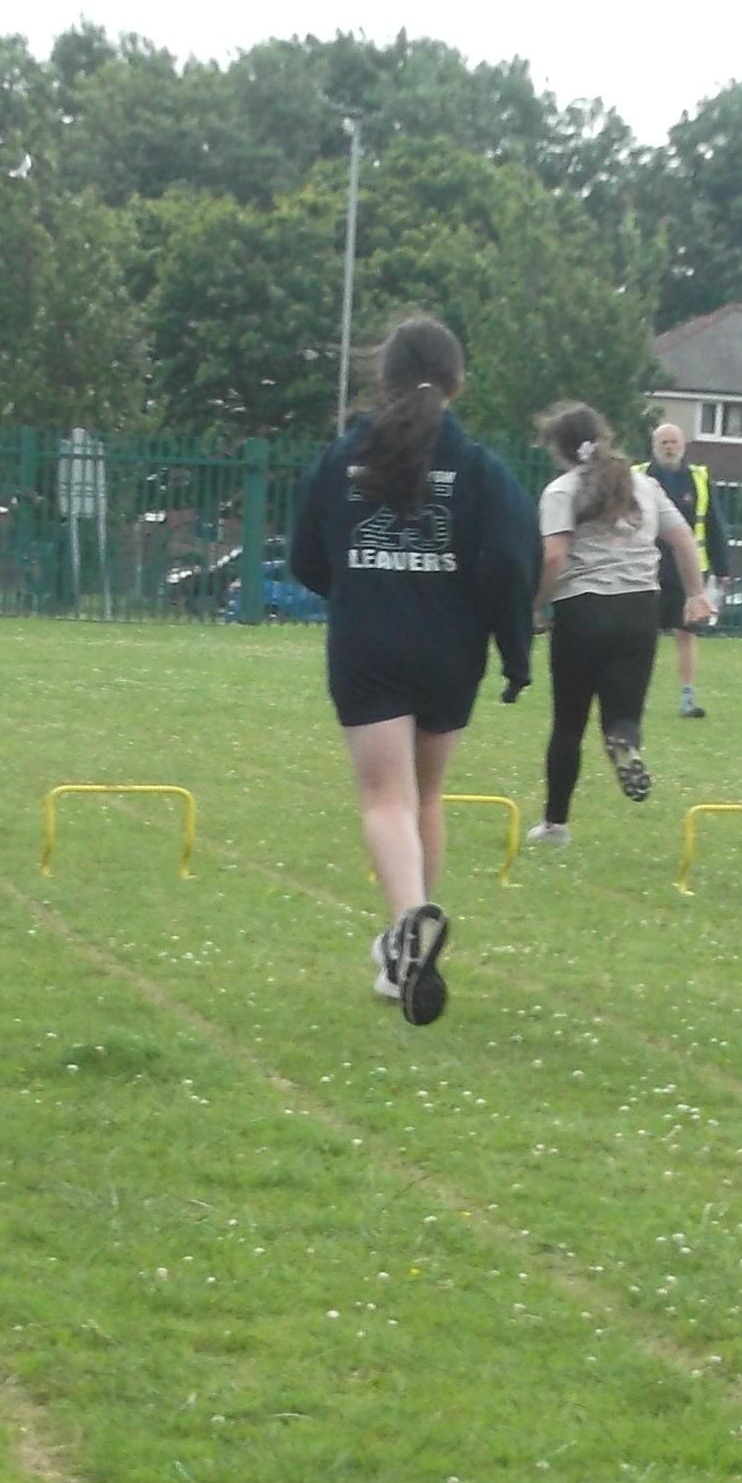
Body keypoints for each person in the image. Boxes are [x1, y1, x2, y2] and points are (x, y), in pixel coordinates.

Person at [282, 314, 535, 1025]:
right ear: (458, 383)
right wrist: (515, 654)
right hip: (450, 652)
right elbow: (511, 563)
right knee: (425, 796)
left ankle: (407, 929)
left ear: (383, 377)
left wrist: (360, 588)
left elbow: (305, 556)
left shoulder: (343, 458)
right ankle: (409, 944)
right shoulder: (479, 469)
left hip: (368, 647)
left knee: (384, 800)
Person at [530, 405, 716, 841]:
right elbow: (683, 539)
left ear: (560, 449)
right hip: (639, 610)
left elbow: (554, 556)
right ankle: (624, 744)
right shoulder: (644, 485)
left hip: (582, 610)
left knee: (569, 723)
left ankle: (555, 824)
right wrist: (695, 593)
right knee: (623, 715)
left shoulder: (562, 490)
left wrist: (536, 605)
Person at [642, 420, 729, 715]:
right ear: (654, 447)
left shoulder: (699, 478)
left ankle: (687, 699)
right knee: (644, 635)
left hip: (688, 572)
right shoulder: (638, 476)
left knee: (686, 633)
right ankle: (638, 695)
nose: (669, 447)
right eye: (663, 443)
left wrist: (722, 568)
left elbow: (714, 524)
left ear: (683, 446)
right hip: (647, 568)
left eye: (674, 442)